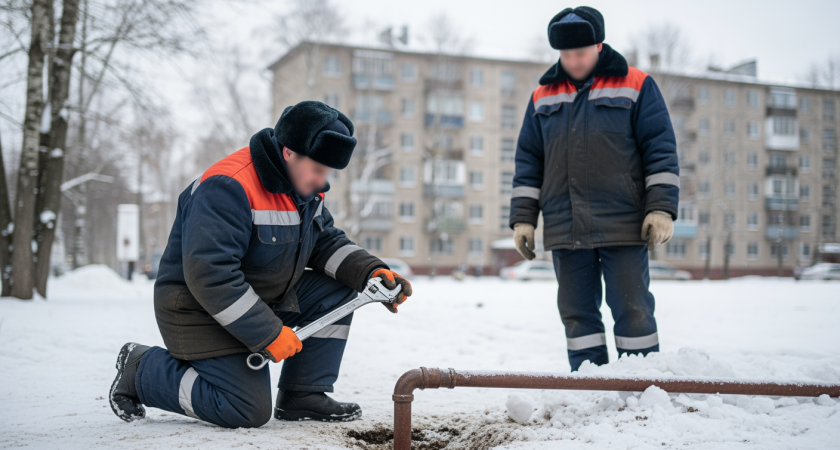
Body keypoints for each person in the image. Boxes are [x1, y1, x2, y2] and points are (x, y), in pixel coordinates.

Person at [109, 101, 413, 428]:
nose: (322, 182)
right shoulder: (227, 186)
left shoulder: (305, 188)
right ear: (289, 153)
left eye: (327, 173)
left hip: (262, 298)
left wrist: (370, 271)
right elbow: (211, 276)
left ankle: (303, 396)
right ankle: (141, 370)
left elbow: (323, 242)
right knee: (244, 408)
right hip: (199, 310)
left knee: (338, 291)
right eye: (318, 170)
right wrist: (267, 334)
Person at [509, 6, 679, 371]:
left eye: (580, 53)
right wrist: (523, 219)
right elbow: (528, 162)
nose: (573, 61)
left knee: (633, 310)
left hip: (624, 223)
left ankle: (640, 385)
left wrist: (661, 208)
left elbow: (660, 150)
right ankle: (588, 383)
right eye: (566, 55)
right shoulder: (543, 95)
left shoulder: (636, 84)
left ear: (599, 46)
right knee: (576, 315)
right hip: (565, 226)